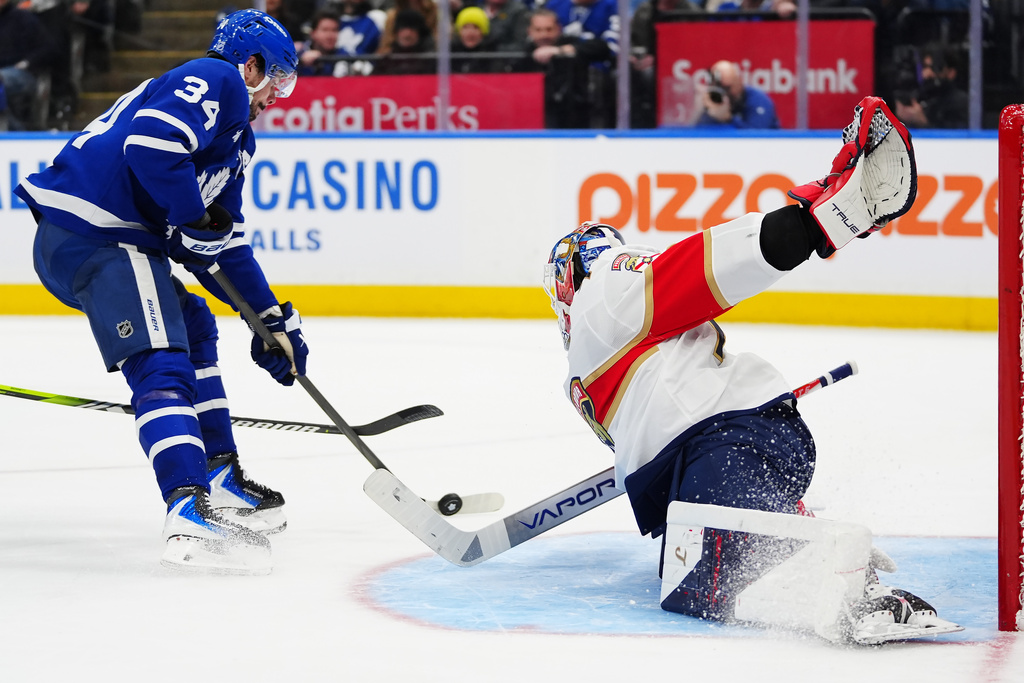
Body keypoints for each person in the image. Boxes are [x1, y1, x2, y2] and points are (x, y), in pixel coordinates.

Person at [543, 97, 961, 644]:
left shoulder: (604, 289)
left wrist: (807, 228)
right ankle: (810, 541)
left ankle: (850, 582)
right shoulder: (592, 363)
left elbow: (689, 271)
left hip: (723, 441)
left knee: (713, 577)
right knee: (693, 583)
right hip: (717, 452)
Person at [15, 9, 307, 576]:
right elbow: (150, 148)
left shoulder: (236, 141)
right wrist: (192, 220)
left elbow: (223, 243)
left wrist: (271, 320)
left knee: (195, 324)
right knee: (162, 356)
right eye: (278, 79)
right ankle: (187, 510)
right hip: (92, 233)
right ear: (251, 65)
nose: (278, 95)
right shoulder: (216, 78)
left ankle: (217, 475)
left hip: (108, 240)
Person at [511, 8, 611, 128]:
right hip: (535, 116)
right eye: (538, 30)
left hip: (575, 115)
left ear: (558, 29)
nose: (544, 35)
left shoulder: (570, 42)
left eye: (549, 29)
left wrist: (561, 50)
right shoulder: (523, 53)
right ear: (529, 32)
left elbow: (602, 49)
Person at [0, 0, 57, 130]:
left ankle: (17, 131)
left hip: (23, 74)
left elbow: (48, 48)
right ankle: (16, 128)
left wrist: (26, 63)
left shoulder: (23, 18)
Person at [894, 44, 969, 129]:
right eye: (925, 67)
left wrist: (922, 122)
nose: (927, 73)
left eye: (935, 68)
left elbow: (958, 138)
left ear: (951, 72)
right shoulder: (918, 96)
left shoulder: (960, 102)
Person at [696, 59, 780, 129]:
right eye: (718, 87)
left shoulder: (758, 101)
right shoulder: (712, 100)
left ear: (739, 82)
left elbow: (756, 138)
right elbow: (696, 135)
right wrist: (701, 109)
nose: (724, 93)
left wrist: (728, 119)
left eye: (727, 88)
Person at [375, 8, 436, 74]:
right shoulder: (386, 60)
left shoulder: (429, 60)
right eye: (403, 29)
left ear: (420, 33)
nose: (407, 34)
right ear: (396, 32)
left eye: (412, 29)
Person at [297, 9, 344, 76]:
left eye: (334, 30)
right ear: (313, 33)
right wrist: (302, 63)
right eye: (325, 30)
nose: (330, 36)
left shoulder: (343, 55)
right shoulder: (298, 53)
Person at [451, 6, 493, 74]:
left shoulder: (492, 56)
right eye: (465, 27)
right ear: (459, 31)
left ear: (483, 31)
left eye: (476, 27)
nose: (470, 33)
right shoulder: (450, 55)